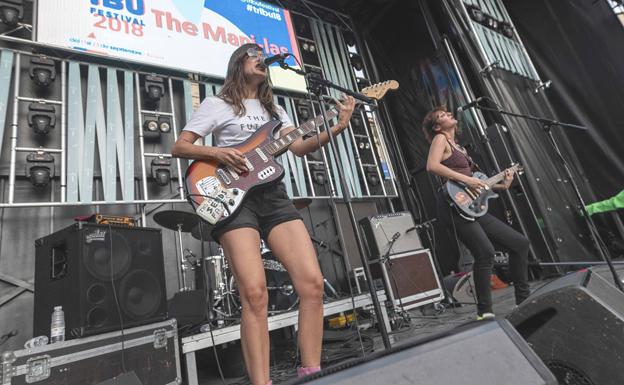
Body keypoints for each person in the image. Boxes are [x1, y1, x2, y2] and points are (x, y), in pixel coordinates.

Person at [171, 43, 355, 385]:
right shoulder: (217, 104)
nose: (261, 58)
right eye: (253, 53)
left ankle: (311, 374)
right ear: (238, 63)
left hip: (273, 197)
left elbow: (298, 147)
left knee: (313, 284)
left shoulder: (276, 111)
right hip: (232, 197)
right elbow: (181, 146)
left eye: (262, 54)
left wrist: (339, 125)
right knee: (255, 294)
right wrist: (220, 153)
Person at [422, 106, 530, 320]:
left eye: (447, 113)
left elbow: (478, 187)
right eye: (442, 116)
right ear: (436, 126)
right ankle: (485, 311)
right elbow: (432, 166)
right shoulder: (440, 139)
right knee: (485, 253)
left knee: (520, 243)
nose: (449, 115)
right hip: (452, 206)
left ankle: (524, 300)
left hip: (470, 205)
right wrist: (468, 179)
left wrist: (503, 184)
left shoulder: (461, 149)